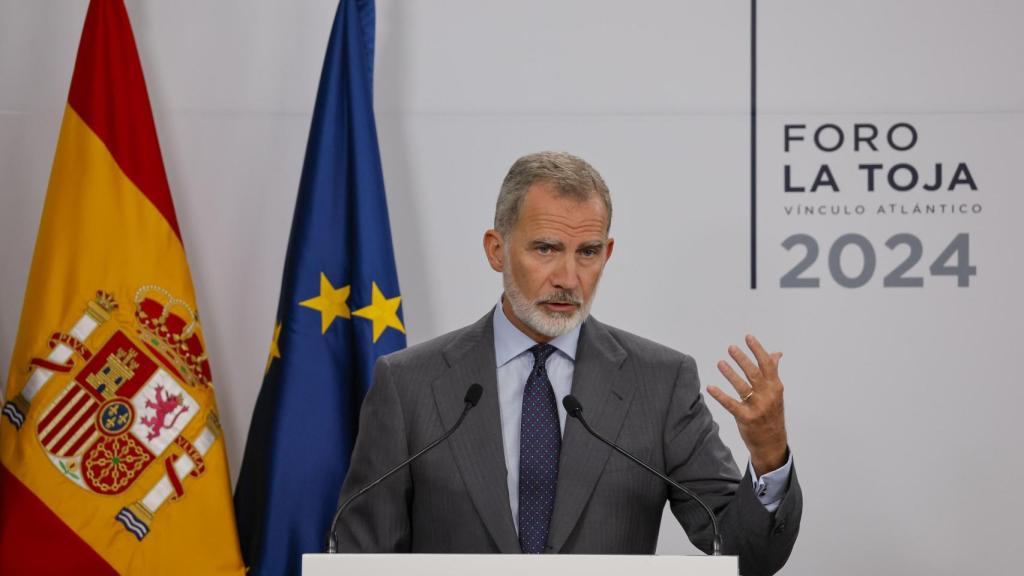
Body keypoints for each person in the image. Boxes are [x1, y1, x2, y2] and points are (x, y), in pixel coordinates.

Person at [336, 151, 801, 575]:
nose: (568, 278)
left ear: (608, 253)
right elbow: (361, 558)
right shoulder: (409, 384)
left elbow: (744, 554)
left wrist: (768, 455)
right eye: (546, 249)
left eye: (588, 252)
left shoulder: (658, 383)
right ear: (496, 249)